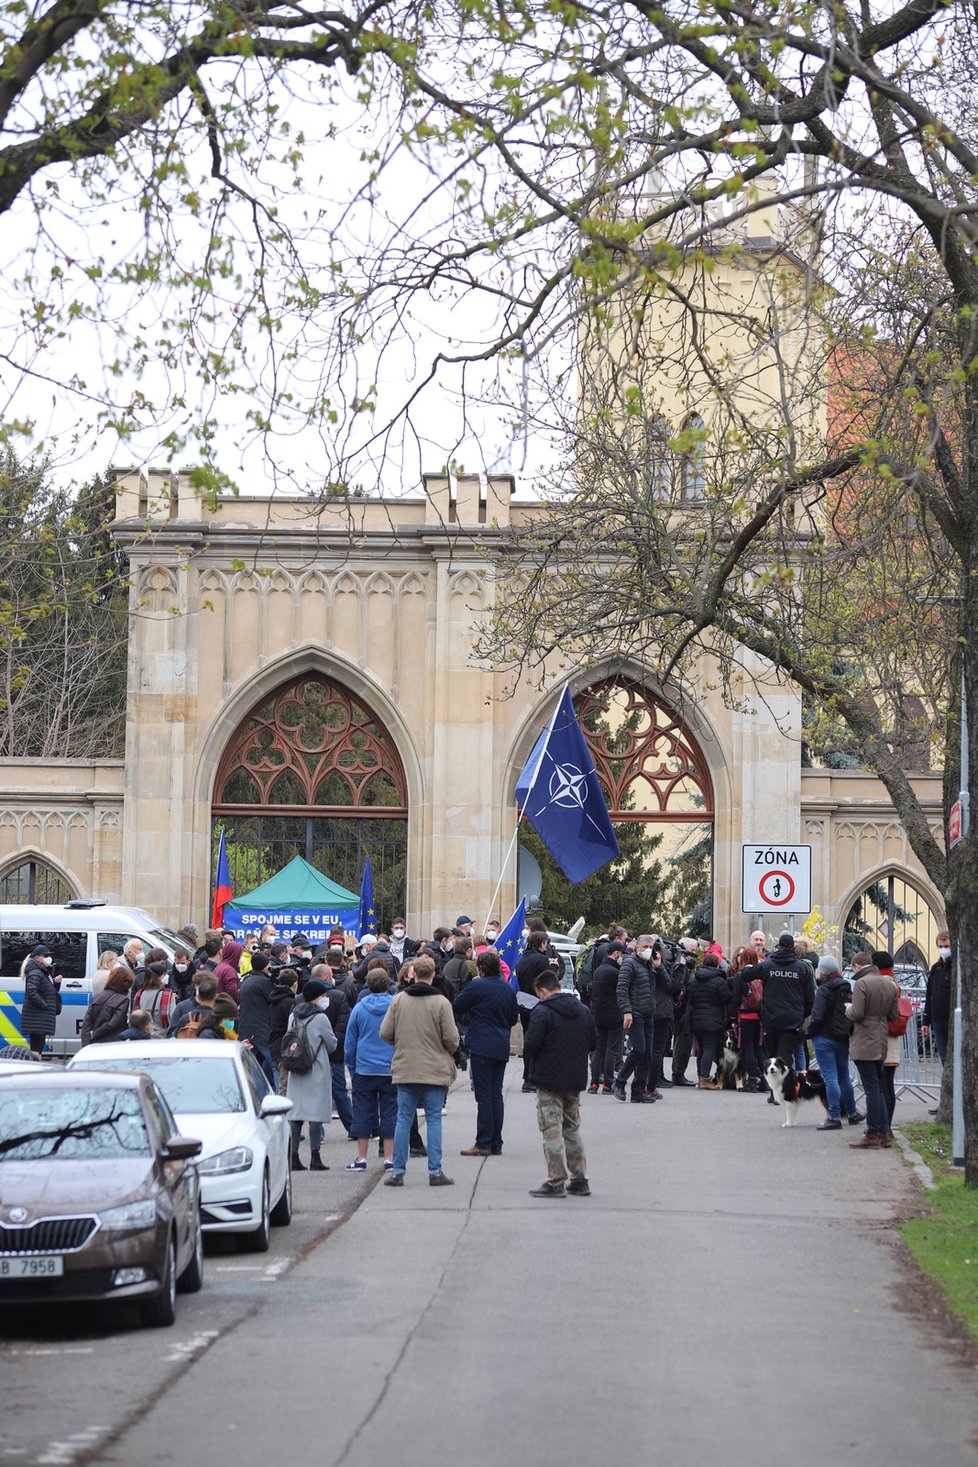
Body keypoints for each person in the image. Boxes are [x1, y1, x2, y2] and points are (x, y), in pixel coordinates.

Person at [379, 953, 459, 1187]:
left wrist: (401, 1043)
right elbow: (452, 1039)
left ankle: (398, 1171)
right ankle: (435, 1171)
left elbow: (385, 1033)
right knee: (434, 1119)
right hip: (434, 1067)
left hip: (406, 1066)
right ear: (433, 974)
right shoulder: (441, 1003)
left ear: (413, 974)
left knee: (403, 1118)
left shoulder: (399, 1000)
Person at [523, 969, 597, 1197]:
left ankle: (555, 1181)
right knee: (572, 1129)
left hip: (548, 1079)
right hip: (574, 1079)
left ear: (543, 991)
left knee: (551, 1130)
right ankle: (579, 1179)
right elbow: (593, 1043)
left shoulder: (543, 1012)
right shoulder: (583, 1011)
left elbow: (531, 1045)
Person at [453, 949, 519, 1156]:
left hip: (482, 1044)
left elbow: (457, 1005)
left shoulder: (477, 985)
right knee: (495, 1094)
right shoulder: (507, 988)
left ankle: (483, 1142)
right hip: (500, 1043)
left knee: (484, 1096)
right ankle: (496, 1142)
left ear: (480, 968)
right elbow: (512, 1019)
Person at [344, 968, 397, 1170]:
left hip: (364, 1068)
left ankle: (362, 1157)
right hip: (390, 1068)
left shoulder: (359, 1008)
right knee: (391, 1112)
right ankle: (389, 1158)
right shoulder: (395, 1006)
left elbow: (350, 1042)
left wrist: (353, 1067)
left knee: (363, 1113)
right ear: (388, 984)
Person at [846, 952, 899, 1149]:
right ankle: (884, 1131)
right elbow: (894, 1015)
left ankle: (872, 1133)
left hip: (864, 1039)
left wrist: (847, 1008)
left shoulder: (862, 984)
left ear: (858, 966)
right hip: (881, 1038)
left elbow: (857, 1013)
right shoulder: (888, 983)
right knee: (878, 1085)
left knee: (871, 1088)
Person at [285, 979, 338, 1171]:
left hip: (296, 1067)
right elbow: (331, 1044)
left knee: (297, 1113)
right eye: (323, 995)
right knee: (315, 1113)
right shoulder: (321, 1018)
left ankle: (294, 1156)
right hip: (316, 1068)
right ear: (317, 997)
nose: (325, 999)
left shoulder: (293, 1016)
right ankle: (315, 1157)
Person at [806, 955, 862, 1129]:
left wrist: (808, 1033)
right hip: (842, 1037)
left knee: (830, 1078)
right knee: (844, 1077)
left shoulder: (823, 990)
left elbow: (818, 1016)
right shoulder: (846, 988)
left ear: (823, 971)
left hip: (824, 1038)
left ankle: (835, 1116)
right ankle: (852, 1113)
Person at [756, 932, 815, 1067]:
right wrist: (803, 1014)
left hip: (771, 1017)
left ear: (779, 946)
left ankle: (774, 1086)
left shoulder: (768, 965)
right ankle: (786, 1085)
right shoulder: (802, 968)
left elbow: (747, 974)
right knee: (785, 1056)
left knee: (771, 1055)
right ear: (792, 947)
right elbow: (810, 997)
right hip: (792, 1019)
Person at [612, 935, 659, 1103]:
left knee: (647, 1054)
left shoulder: (649, 965)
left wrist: (659, 967)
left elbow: (663, 985)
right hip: (635, 1013)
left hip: (648, 1014)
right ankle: (620, 1081)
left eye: (650, 947)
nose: (648, 950)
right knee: (639, 1049)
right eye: (645, 946)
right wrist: (626, 1011)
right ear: (637, 947)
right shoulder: (629, 963)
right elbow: (622, 989)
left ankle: (638, 1092)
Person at [515, 931, 560, 1092]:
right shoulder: (541, 960)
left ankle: (528, 1076)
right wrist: (554, 967)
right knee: (540, 1042)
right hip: (537, 1003)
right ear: (541, 944)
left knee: (529, 1040)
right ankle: (532, 1077)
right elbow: (549, 982)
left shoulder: (522, 959)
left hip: (524, 1003)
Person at [686, 952, 730, 1089]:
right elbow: (727, 999)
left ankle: (701, 1076)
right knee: (709, 1048)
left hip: (696, 1019)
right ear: (717, 964)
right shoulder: (719, 981)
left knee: (702, 1049)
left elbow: (690, 998)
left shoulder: (694, 979)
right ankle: (705, 1080)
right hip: (713, 1019)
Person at [587, 940, 626, 1093]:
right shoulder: (615, 972)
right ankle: (608, 1083)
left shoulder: (598, 970)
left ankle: (594, 1083)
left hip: (598, 1014)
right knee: (611, 1050)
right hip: (614, 1015)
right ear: (616, 954)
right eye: (621, 954)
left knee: (599, 1049)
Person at [872, 950, 900, 1140]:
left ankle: (885, 1126)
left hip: (882, 1037)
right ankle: (886, 1125)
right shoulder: (893, 981)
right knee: (887, 1083)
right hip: (891, 1037)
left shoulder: (883, 983)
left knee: (884, 1084)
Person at [237, 950, 276, 1085]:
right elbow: (274, 1000)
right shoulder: (264, 982)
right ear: (265, 966)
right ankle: (277, 1096)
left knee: (250, 1067)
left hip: (247, 1030)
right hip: (261, 1031)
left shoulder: (247, 981)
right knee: (274, 1065)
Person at [727, 946, 763, 1091]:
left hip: (746, 1016)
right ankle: (766, 1080)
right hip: (760, 1017)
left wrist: (733, 1018)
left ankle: (752, 1081)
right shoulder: (762, 974)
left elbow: (735, 998)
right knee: (759, 1049)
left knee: (748, 1048)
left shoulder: (740, 976)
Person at [21, 944, 62, 1054]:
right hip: (37, 1017)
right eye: (45, 955)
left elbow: (47, 989)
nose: (48, 958)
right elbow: (31, 991)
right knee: (36, 1048)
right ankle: (34, 1068)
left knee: (38, 1046)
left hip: (40, 1018)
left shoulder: (42, 971)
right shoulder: (36, 972)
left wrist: (56, 982)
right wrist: (44, 1005)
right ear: (37, 957)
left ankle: (35, 1065)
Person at [80, 968, 133, 1045]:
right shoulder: (123, 1000)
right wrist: (94, 1033)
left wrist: (87, 1039)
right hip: (112, 1042)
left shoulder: (97, 996)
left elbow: (87, 1020)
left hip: (94, 1042)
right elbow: (113, 1024)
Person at [922, 932, 952, 1065]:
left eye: (947, 946)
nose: (943, 949)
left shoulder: (957, 967)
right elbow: (930, 995)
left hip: (953, 1020)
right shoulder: (936, 969)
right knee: (944, 1058)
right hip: (938, 1020)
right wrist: (925, 1021)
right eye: (941, 946)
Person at [133, 962, 177, 1036]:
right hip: (162, 1037)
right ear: (158, 977)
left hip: (142, 1037)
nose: (167, 976)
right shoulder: (168, 995)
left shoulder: (139, 994)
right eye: (164, 974)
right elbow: (173, 1018)